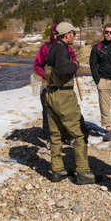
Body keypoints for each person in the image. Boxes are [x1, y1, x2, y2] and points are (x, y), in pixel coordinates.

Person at [45, 22, 96, 185]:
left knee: (56, 134)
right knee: (79, 132)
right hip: (63, 96)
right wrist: (75, 64)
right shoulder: (61, 49)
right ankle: (83, 172)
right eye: (73, 33)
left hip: (51, 94)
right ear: (67, 35)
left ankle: (57, 170)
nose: (75, 35)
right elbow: (63, 69)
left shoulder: (52, 48)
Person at [33, 23, 77, 145]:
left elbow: (74, 62)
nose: (55, 33)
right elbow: (37, 65)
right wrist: (47, 76)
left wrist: (73, 69)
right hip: (47, 85)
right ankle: (49, 138)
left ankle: (68, 136)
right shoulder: (44, 48)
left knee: (67, 112)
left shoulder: (68, 48)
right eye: (54, 31)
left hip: (64, 86)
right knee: (48, 112)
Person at [90, 23, 111, 141]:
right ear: (103, 32)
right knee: (104, 107)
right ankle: (108, 130)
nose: (108, 34)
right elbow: (93, 65)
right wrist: (97, 80)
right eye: (106, 32)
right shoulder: (97, 47)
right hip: (103, 80)